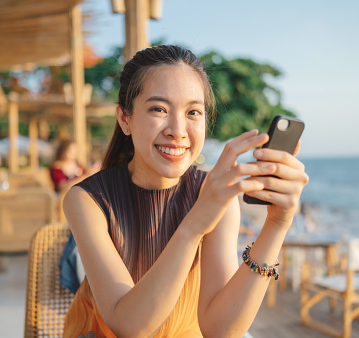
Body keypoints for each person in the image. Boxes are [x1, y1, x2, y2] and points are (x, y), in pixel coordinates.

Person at [62, 45, 309, 337]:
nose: (177, 130)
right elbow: (128, 326)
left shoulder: (216, 195)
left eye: (193, 112)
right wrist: (194, 225)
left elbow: (220, 330)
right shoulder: (87, 199)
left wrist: (276, 225)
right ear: (124, 119)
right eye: (158, 109)